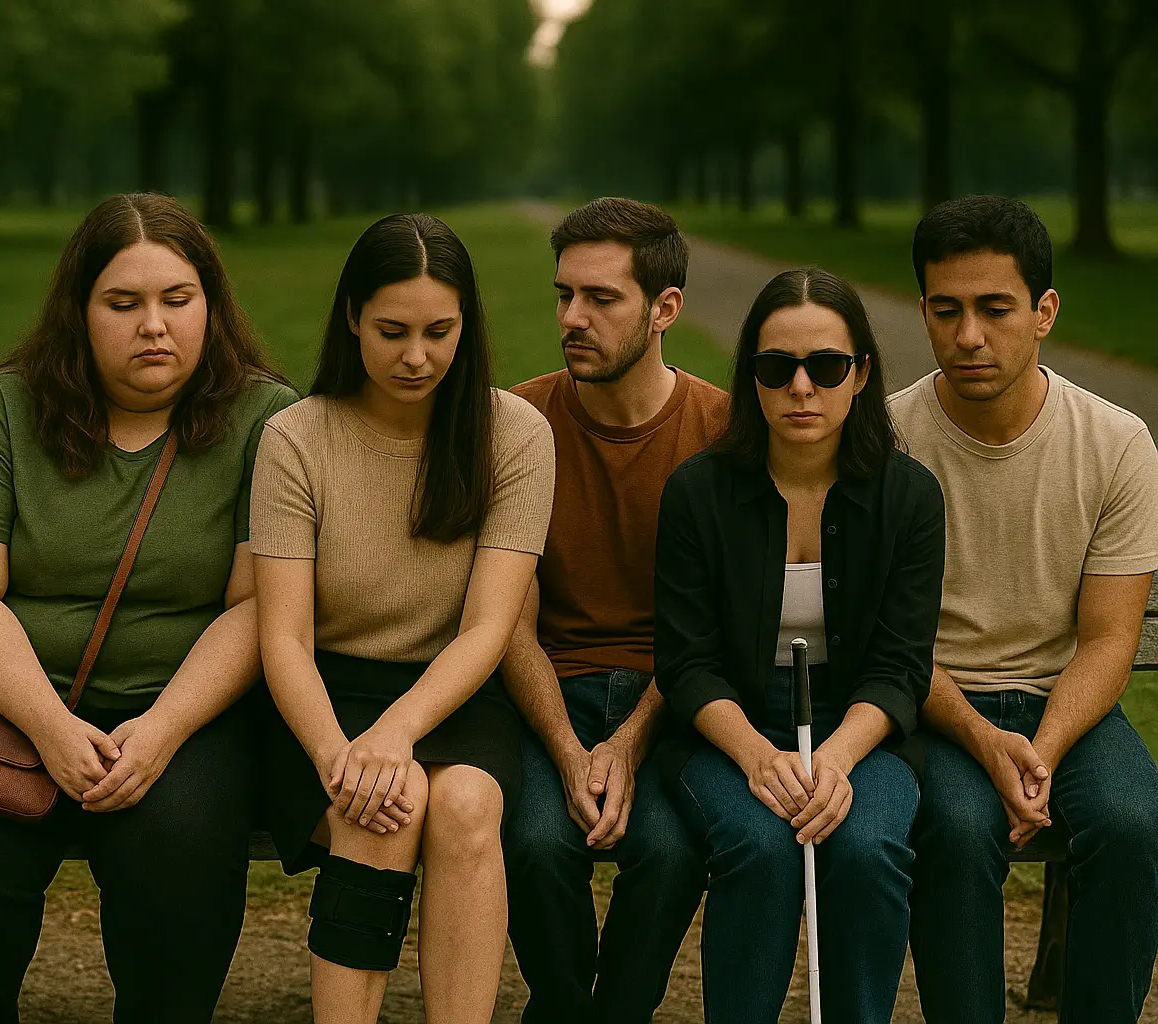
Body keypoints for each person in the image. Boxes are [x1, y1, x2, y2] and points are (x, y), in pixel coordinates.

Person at [0, 193, 296, 1023]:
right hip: (6, 702)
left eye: (177, 300)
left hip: (183, 710)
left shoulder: (267, 420)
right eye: (123, 303)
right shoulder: (1, 410)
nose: (154, 326)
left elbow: (260, 607)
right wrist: (48, 726)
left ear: (211, 307)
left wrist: (164, 729)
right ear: (79, 310)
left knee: (179, 848)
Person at [252, 212, 555, 1024]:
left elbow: (489, 627)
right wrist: (337, 755)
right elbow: (282, 636)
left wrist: (397, 730)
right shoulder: (295, 438)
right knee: (387, 808)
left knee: (465, 805)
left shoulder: (515, 436)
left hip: (456, 690)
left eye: (438, 332)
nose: (416, 356)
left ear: (466, 327)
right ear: (353, 317)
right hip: (320, 697)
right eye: (392, 332)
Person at [655, 267, 945, 1023]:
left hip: (861, 727)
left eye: (827, 366)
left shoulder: (909, 496)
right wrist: (758, 756)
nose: (802, 388)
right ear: (751, 376)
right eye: (776, 367)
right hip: (728, 727)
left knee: (866, 847)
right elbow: (686, 663)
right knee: (758, 847)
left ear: (862, 374)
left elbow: (901, 664)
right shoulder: (697, 492)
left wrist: (837, 761)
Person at [896, 195, 1158, 1023]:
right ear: (925, 313)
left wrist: (1037, 754)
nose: (969, 335)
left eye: (995, 309)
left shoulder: (1116, 443)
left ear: (1044, 313)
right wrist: (984, 738)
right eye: (947, 310)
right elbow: (890, 641)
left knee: (1131, 822)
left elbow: (1110, 639)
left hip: (1064, 705)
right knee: (954, 828)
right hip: (937, 707)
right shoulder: (887, 439)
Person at [500, 197, 722, 1021]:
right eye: (565, 295)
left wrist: (628, 743)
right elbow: (507, 621)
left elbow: (712, 631)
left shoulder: (724, 430)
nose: (572, 318)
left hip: (675, 698)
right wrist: (567, 749)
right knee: (533, 841)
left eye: (601, 298)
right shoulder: (518, 422)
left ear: (665, 309)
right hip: (544, 692)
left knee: (668, 851)